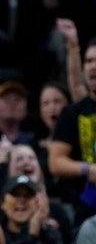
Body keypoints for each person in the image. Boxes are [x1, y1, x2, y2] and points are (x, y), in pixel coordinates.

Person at [49, 36, 96, 230]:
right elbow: (56, 162)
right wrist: (88, 169)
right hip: (88, 209)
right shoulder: (72, 112)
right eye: (89, 61)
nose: (93, 66)